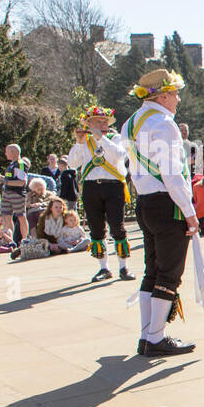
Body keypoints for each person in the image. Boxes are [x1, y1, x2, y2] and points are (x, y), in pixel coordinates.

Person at [121, 69, 199, 357]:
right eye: (175, 93)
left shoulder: (130, 123)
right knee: (169, 273)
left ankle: (147, 335)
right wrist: (189, 211)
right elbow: (173, 174)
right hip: (168, 204)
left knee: (152, 270)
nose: (178, 99)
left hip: (145, 202)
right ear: (163, 95)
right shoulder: (164, 124)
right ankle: (155, 338)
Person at [69, 104, 134, 282]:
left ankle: (123, 267)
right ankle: (104, 268)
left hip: (113, 186)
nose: (101, 124)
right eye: (96, 122)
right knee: (96, 229)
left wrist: (102, 139)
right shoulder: (85, 142)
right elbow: (73, 163)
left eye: (103, 121)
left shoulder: (116, 138)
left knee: (117, 227)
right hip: (91, 187)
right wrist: (78, 143)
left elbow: (120, 155)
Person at [0, 143, 29, 243]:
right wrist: (0, 178)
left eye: (7, 151)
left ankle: (25, 239)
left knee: (21, 216)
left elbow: (21, 182)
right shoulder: (12, 164)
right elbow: (10, 179)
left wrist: (4, 181)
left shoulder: (20, 164)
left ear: (13, 152)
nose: (5, 153)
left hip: (17, 194)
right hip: (7, 193)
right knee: (7, 215)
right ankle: (11, 241)